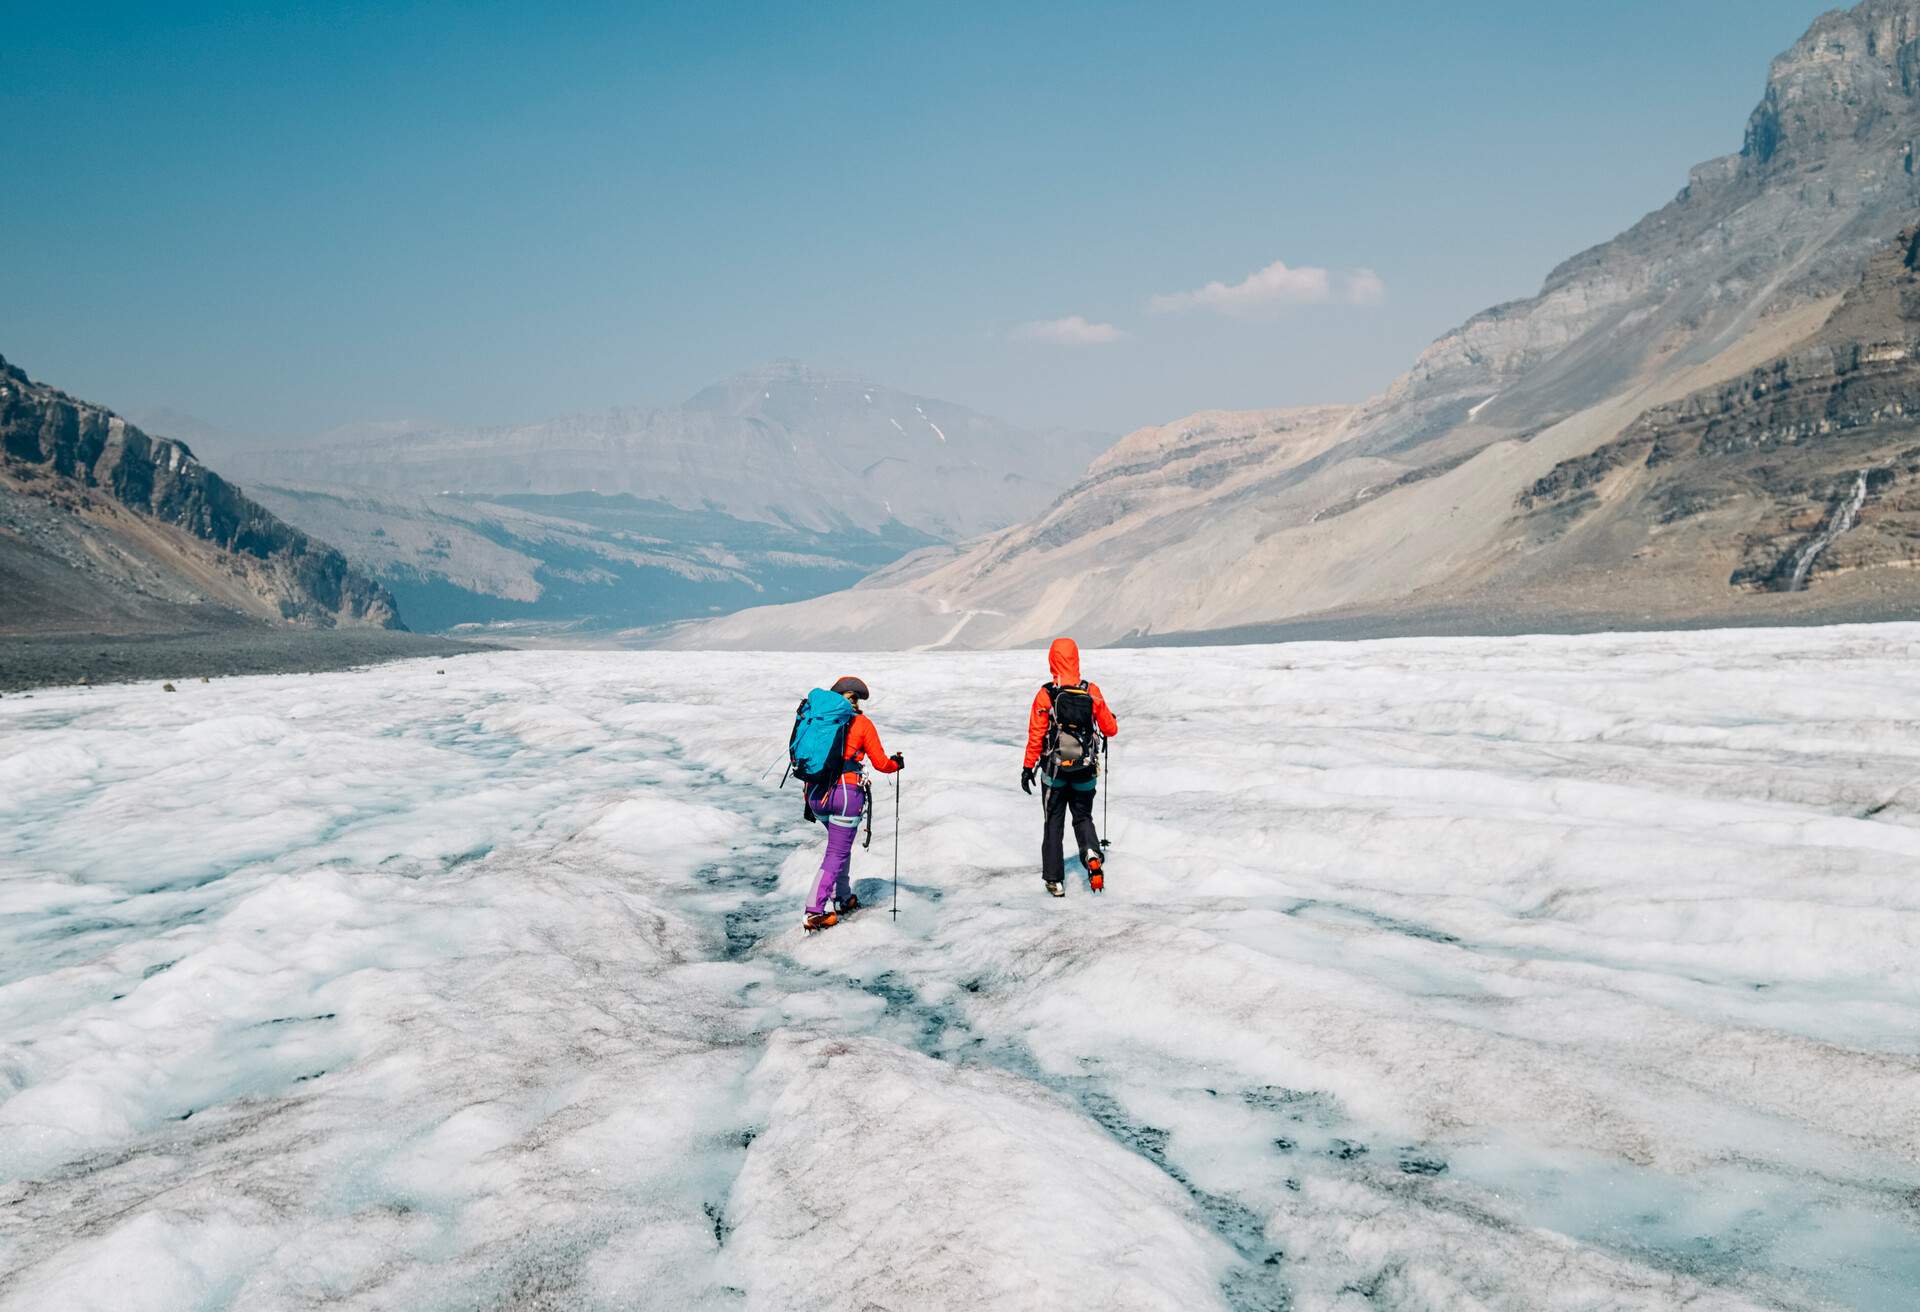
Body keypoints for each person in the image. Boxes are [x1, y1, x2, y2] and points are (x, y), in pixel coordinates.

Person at [1020, 638, 1119, 896]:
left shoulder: (1046, 694)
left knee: (1053, 821)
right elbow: (1110, 729)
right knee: (1083, 816)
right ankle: (1091, 855)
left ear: (1052, 659)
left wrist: (1028, 767)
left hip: (1055, 774)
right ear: (1076, 658)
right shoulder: (1091, 690)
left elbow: (1036, 734)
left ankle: (1054, 880)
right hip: (1085, 771)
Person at [805, 675, 903, 931]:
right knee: (837, 851)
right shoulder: (861, 723)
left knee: (840, 846)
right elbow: (882, 763)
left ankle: (843, 897)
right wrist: (897, 764)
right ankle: (813, 910)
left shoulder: (817, 720)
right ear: (856, 700)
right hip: (845, 795)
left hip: (816, 795)